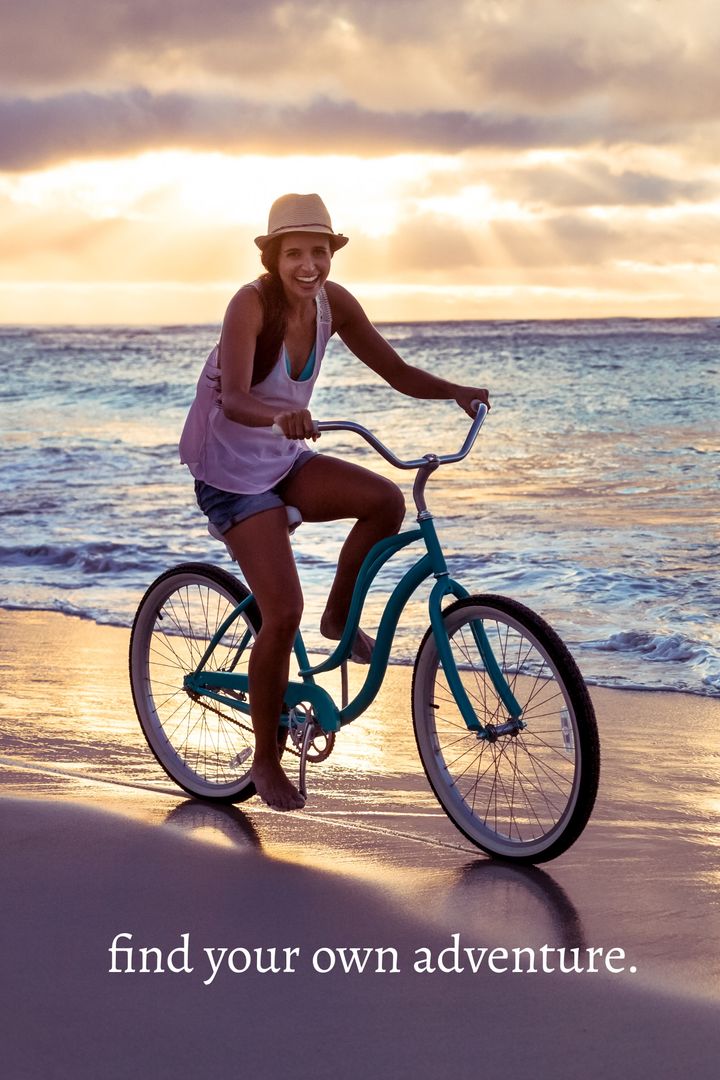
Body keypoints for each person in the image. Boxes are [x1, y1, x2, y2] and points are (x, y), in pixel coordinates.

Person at [180, 193, 489, 812]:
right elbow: (236, 399)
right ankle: (265, 761)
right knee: (281, 611)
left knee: (384, 502)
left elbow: (396, 371)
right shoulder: (249, 304)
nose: (309, 264)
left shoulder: (333, 304)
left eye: (319, 251)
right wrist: (285, 412)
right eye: (294, 252)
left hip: (282, 460)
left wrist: (454, 391)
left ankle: (338, 618)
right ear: (272, 256)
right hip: (231, 475)